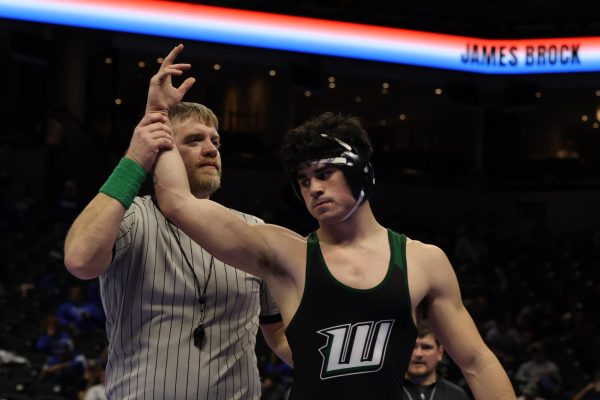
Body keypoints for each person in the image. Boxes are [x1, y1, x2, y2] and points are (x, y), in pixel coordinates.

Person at [152, 45, 516, 399]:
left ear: (361, 174)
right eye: (304, 180)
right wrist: (159, 115)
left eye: (325, 174)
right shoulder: (285, 254)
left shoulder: (424, 261)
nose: (314, 188)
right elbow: (176, 202)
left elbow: (476, 362)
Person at [64, 44, 290, 399]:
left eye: (215, 141)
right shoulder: (135, 217)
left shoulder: (253, 229)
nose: (212, 148)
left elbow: (278, 334)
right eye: (195, 140)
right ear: (163, 148)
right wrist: (136, 157)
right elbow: (80, 260)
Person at [402, 320, 470, 400]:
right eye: (412, 346)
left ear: (440, 352)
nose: (418, 354)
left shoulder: (457, 396)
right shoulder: (388, 392)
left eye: (426, 347)